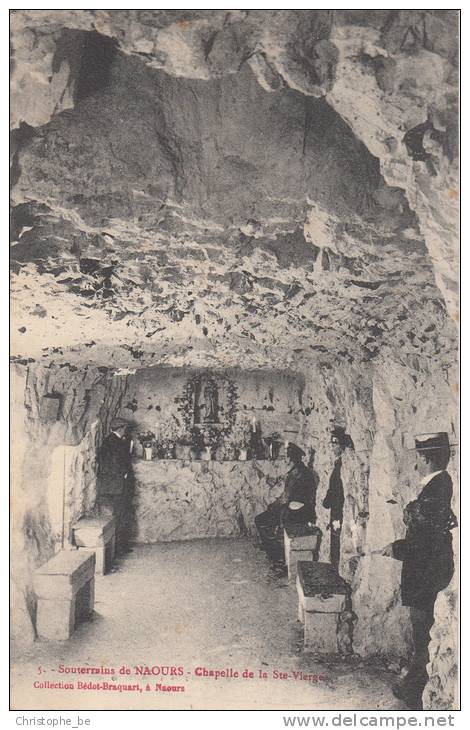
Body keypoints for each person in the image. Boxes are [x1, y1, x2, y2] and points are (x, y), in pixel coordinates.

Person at [381, 432, 457, 710]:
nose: (415, 464)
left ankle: (413, 694)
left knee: (422, 634)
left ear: (425, 458)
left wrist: (399, 549)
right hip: (429, 570)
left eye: (418, 458)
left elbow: (423, 540)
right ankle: (413, 686)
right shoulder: (440, 485)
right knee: (421, 634)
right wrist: (399, 545)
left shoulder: (435, 488)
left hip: (425, 574)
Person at [254, 442, 317, 563]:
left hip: (298, 512)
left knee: (261, 520)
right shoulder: (295, 472)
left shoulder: (301, 474)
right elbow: (285, 496)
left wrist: (276, 506)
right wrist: (274, 505)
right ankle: (273, 550)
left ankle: (276, 555)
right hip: (290, 508)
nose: (286, 459)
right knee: (263, 519)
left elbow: (291, 498)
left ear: (293, 458)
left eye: (288, 457)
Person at [97, 417, 133, 555]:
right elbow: (115, 462)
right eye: (126, 428)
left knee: (118, 515)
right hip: (117, 485)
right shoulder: (115, 442)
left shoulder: (109, 441)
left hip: (112, 484)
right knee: (120, 515)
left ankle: (118, 547)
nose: (126, 431)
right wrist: (123, 473)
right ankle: (119, 548)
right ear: (121, 428)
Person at [323, 428, 347, 570]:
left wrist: (327, 500)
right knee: (334, 540)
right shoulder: (338, 464)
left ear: (342, 445)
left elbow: (336, 489)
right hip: (335, 509)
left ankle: (335, 570)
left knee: (336, 541)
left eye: (336, 443)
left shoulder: (341, 466)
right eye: (332, 443)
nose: (333, 447)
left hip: (338, 510)